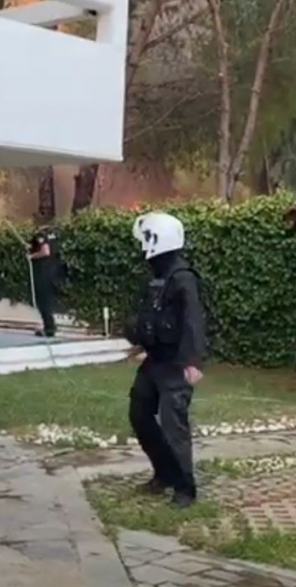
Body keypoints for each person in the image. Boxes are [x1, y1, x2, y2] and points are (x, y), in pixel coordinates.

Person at [125, 212, 206, 508]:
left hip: (175, 363)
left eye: (147, 238)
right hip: (155, 360)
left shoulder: (183, 278)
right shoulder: (157, 275)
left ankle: (186, 488)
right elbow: (151, 316)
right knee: (139, 413)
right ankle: (165, 473)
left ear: (158, 239)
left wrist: (193, 361)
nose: (142, 245)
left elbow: (193, 320)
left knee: (175, 425)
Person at [28, 226, 61, 338]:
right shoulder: (53, 234)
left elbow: (45, 251)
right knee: (48, 301)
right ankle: (49, 326)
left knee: (43, 302)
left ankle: (49, 328)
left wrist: (32, 256)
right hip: (54, 271)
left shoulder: (41, 235)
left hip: (43, 273)